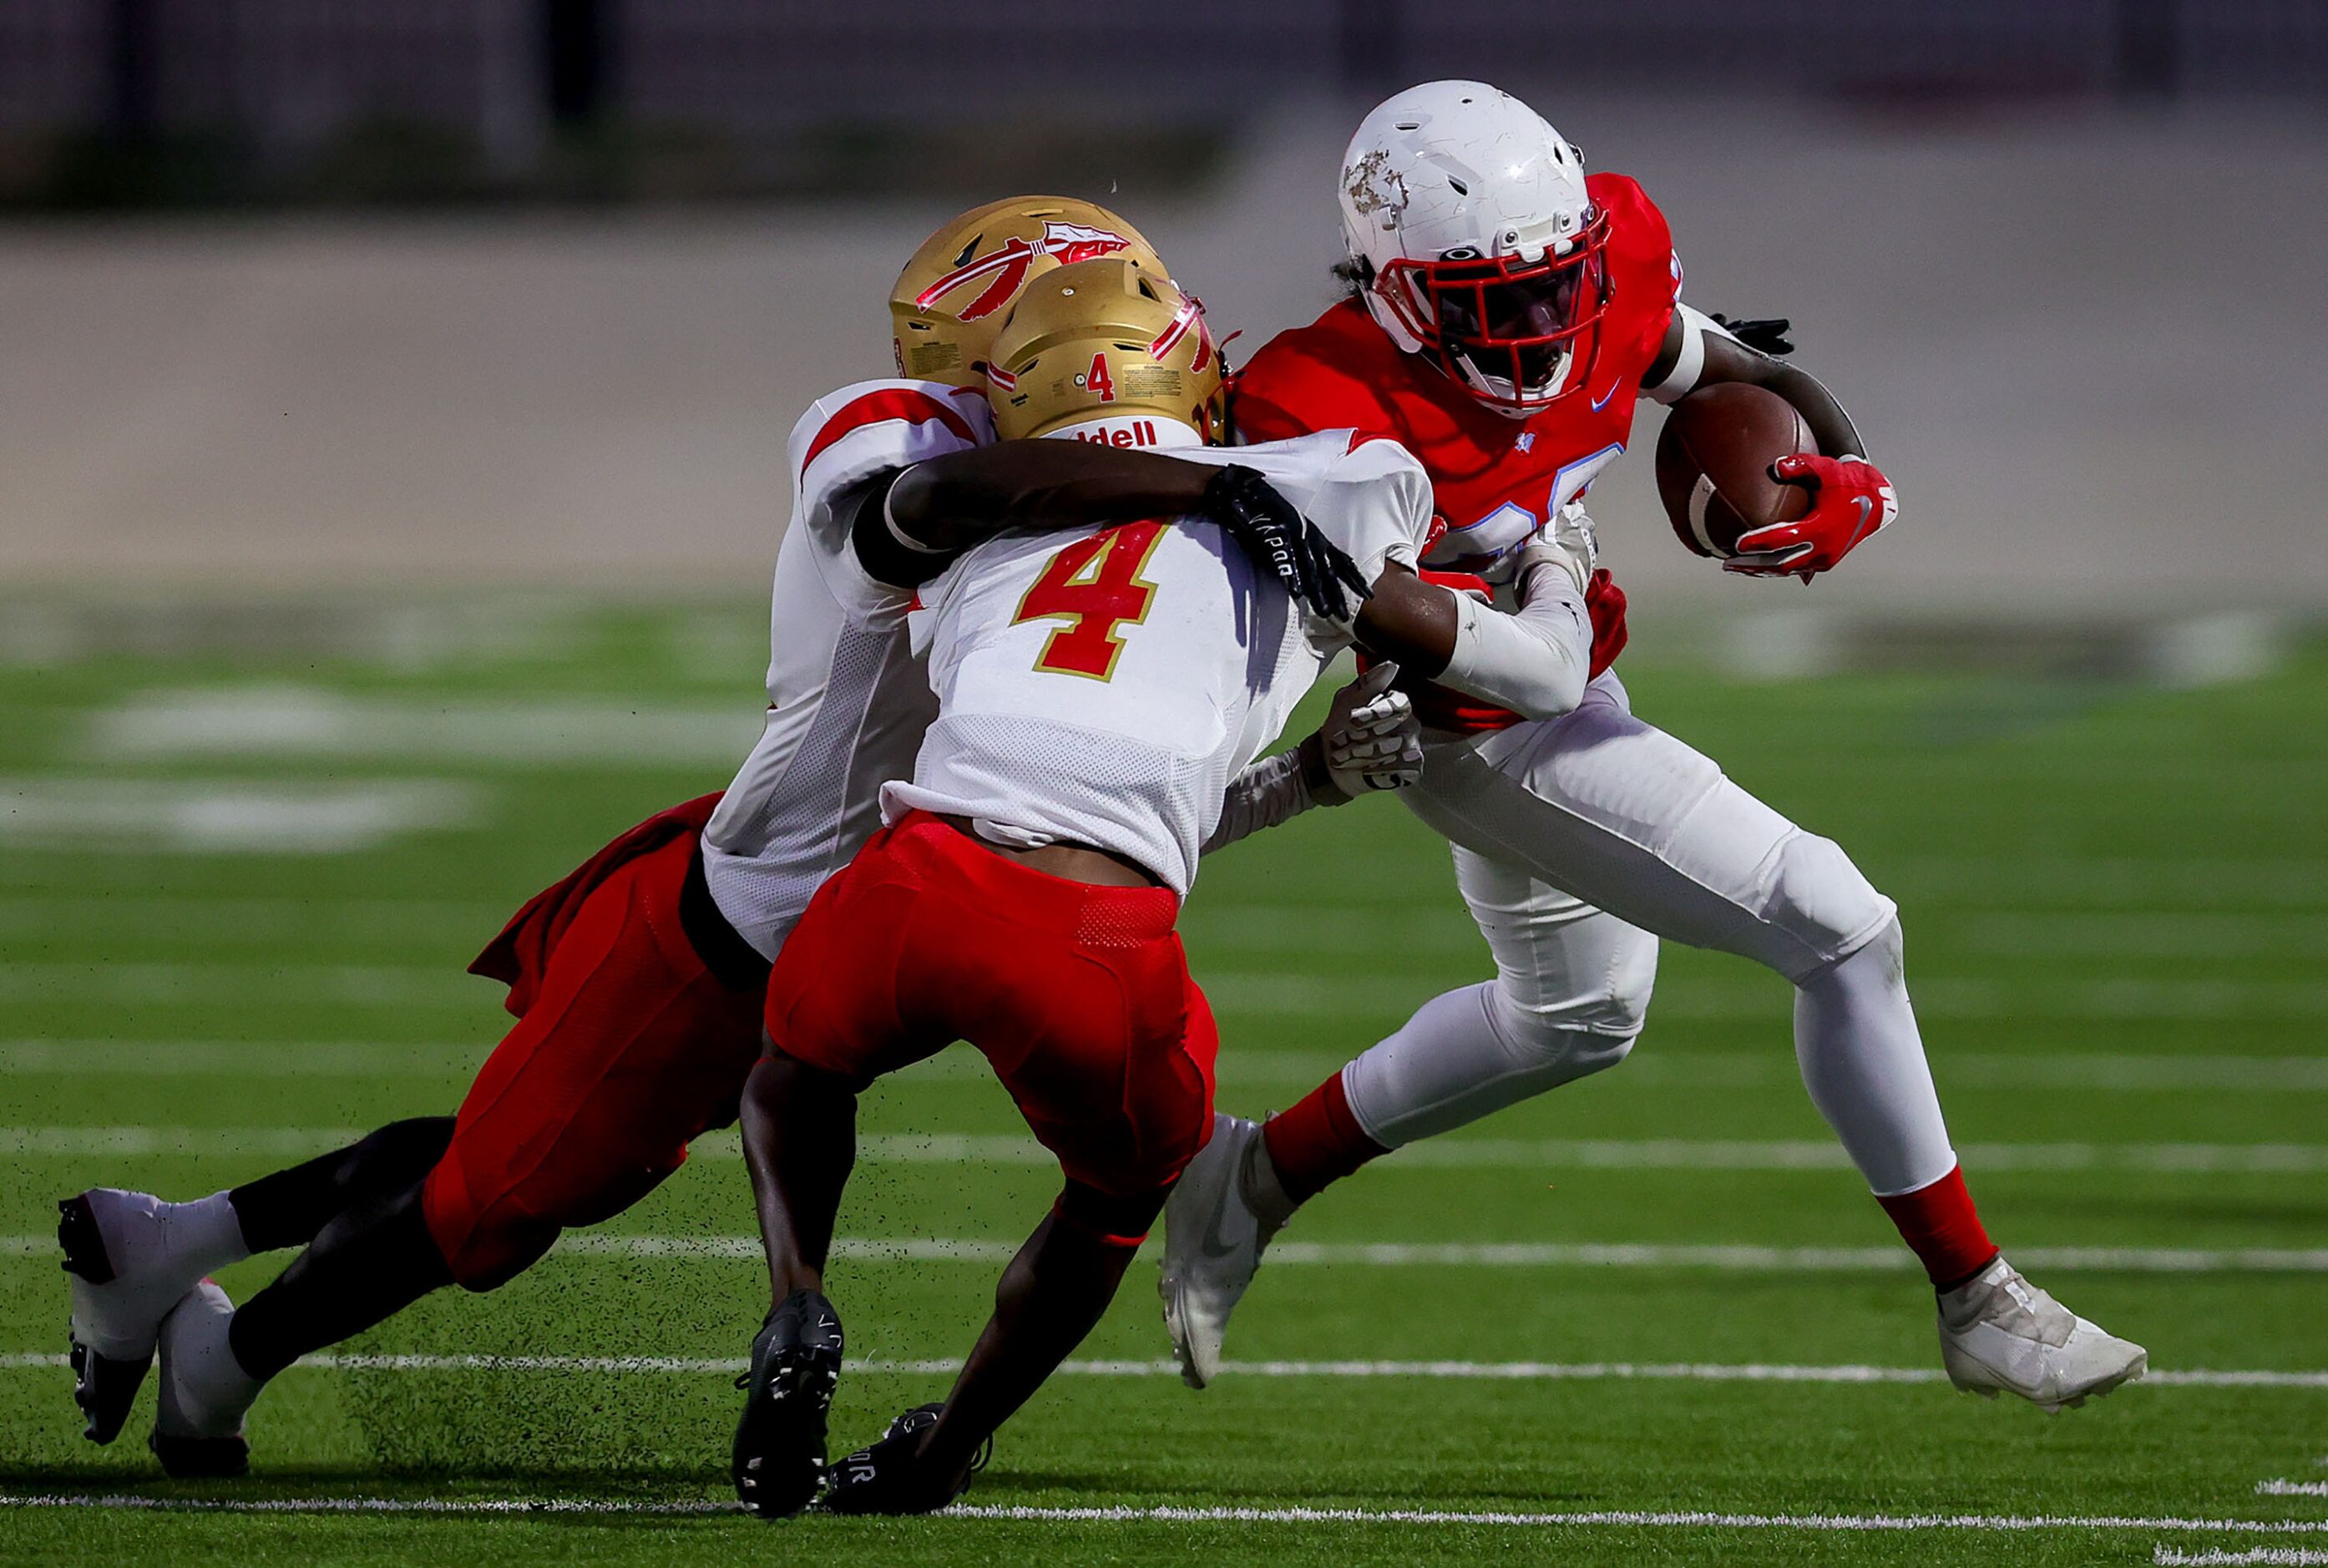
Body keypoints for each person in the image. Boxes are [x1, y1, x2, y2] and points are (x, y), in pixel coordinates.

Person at [54, 197, 1382, 1477]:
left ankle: (166, 1246)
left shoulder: (1123, 483)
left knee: (537, 1157)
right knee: (497, 1200)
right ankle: (218, 1351)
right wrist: (1219, 489)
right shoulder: (903, 447)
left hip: (891, 890)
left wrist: (1308, 764)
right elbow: (931, 511)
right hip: (750, 923)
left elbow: (1112, 788)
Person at [1159, 80, 2147, 1411]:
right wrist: (1542, 576)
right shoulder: (1319, 402)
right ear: (1392, 288)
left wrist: (1849, 477)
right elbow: (1516, 664)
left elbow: (1740, 371)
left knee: (1575, 1013)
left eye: (1559, 285)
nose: (1542, 330)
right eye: (1491, 302)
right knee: (1842, 923)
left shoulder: (1609, 259)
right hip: (1465, 730)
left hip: (1561, 687)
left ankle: (1253, 1175)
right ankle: (1978, 1297)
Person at [729, 255, 1609, 1517]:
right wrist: (1558, 556)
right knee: (1117, 1196)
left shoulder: (977, 524)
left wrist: (1305, 770)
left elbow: (1057, 757)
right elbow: (1538, 675)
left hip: (922, 873)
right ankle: (941, 1449)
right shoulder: (1337, 489)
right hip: (1102, 937)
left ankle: (797, 1297)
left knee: (794, 1068)